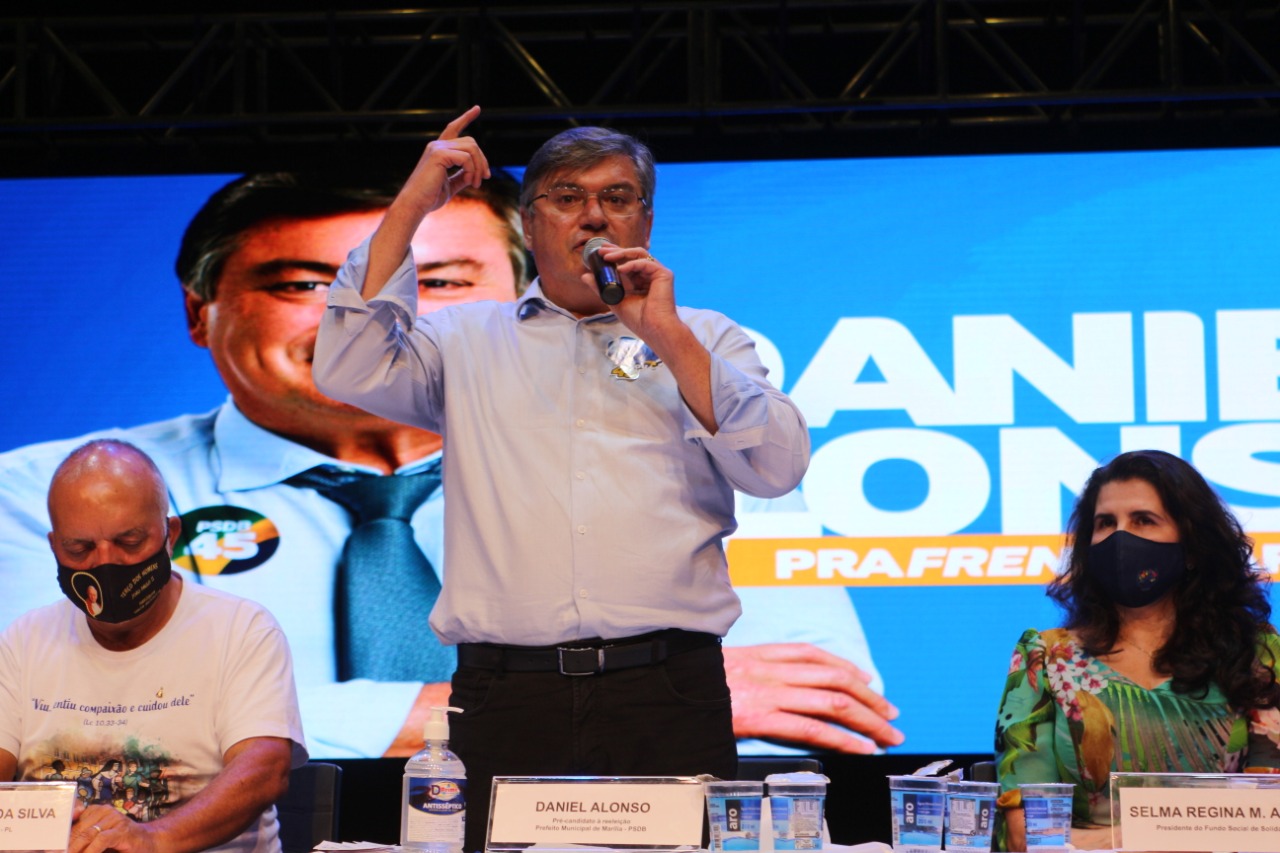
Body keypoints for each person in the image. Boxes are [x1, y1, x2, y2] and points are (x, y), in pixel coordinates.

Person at [0, 168, 900, 758]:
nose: (380, 316)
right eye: (312, 285)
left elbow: (813, 713)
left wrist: (242, 714)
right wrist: (605, 699)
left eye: (440, 282)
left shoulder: (689, 443)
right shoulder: (45, 488)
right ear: (201, 312)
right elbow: (59, 719)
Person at [311, 106, 825, 851]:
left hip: (666, 688)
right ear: (528, 224)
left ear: (646, 220)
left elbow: (776, 467)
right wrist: (416, 202)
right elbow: (345, 365)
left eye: (618, 197)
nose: (594, 215)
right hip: (506, 691)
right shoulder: (464, 340)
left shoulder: (706, 336)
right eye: (567, 197)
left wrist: (665, 333)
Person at [0, 439, 307, 853]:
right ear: (56, 547)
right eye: (80, 548)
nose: (105, 563)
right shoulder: (24, 641)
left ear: (170, 535)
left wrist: (150, 840)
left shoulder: (240, 629)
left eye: (129, 542)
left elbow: (264, 770)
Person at [993, 449, 1280, 851]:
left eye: (1143, 520)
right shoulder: (1045, 657)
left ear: (1192, 546)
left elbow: (1270, 822)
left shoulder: (1256, 653)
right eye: (1105, 523)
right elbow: (1026, 836)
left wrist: (1111, 840)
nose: (1120, 538)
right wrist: (1142, 839)